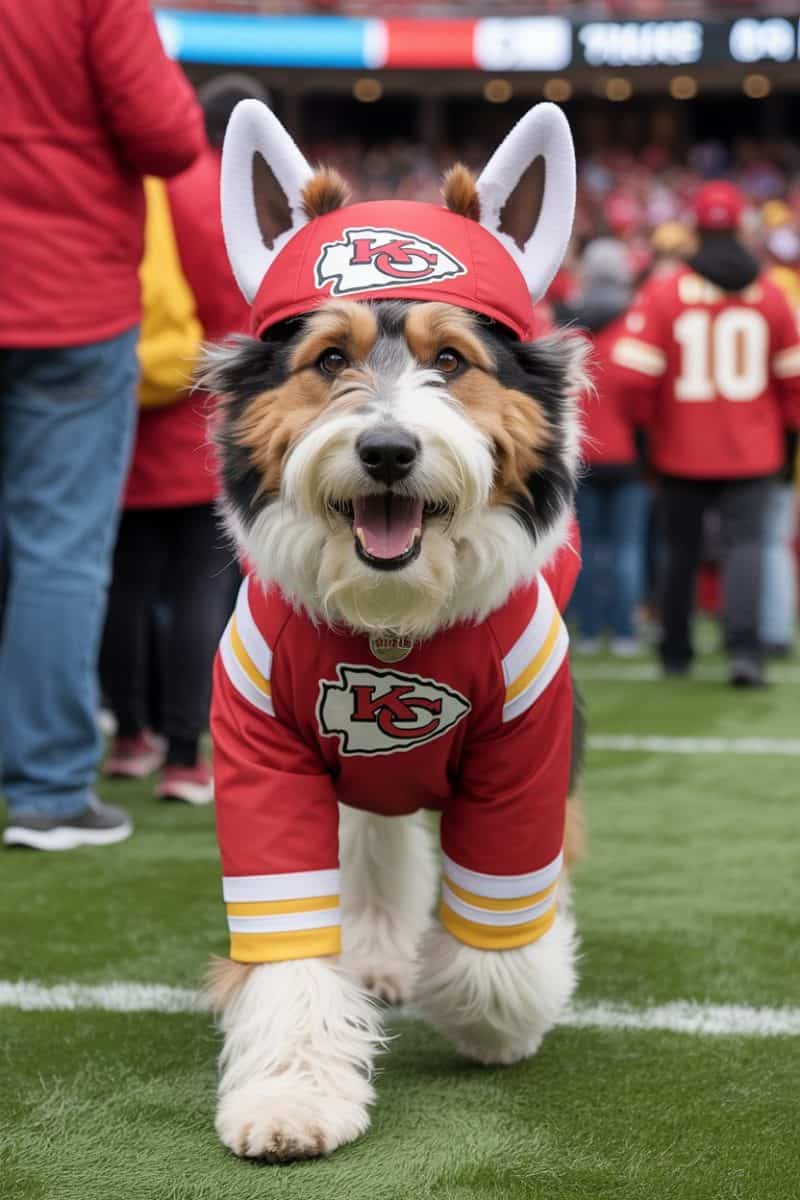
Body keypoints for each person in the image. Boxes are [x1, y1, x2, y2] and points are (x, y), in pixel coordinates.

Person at [0, 0, 205, 850]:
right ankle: (47, 789)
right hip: (64, 303)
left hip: (67, 300)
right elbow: (167, 134)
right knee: (60, 552)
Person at [100, 78, 255, 805]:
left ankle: (130, 737)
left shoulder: (153, 183)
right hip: (214, 412)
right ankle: (187, 756)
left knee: (123, 584)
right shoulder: (238, 198)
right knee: (203, 585)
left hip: (128, 400)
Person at [611, 181, 800, 686]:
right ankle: (744, 652)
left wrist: (648, 429)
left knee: (681, 550)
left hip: (680, 449)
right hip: (755, 449)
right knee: (748, 550)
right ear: (740, 226)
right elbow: (794, 378)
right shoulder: (772, 294)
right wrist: (787, 436)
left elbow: (630, 375)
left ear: (694, 228)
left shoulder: (665, 290)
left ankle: (676, 651)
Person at [557, 239, 648, 656]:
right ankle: (626, 629)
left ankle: (589, 630)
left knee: (584, 545)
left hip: (578, 453)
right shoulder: (639, 322)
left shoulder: (564, 324)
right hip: (629, 454)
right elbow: (644, 392)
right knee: (627, 546)